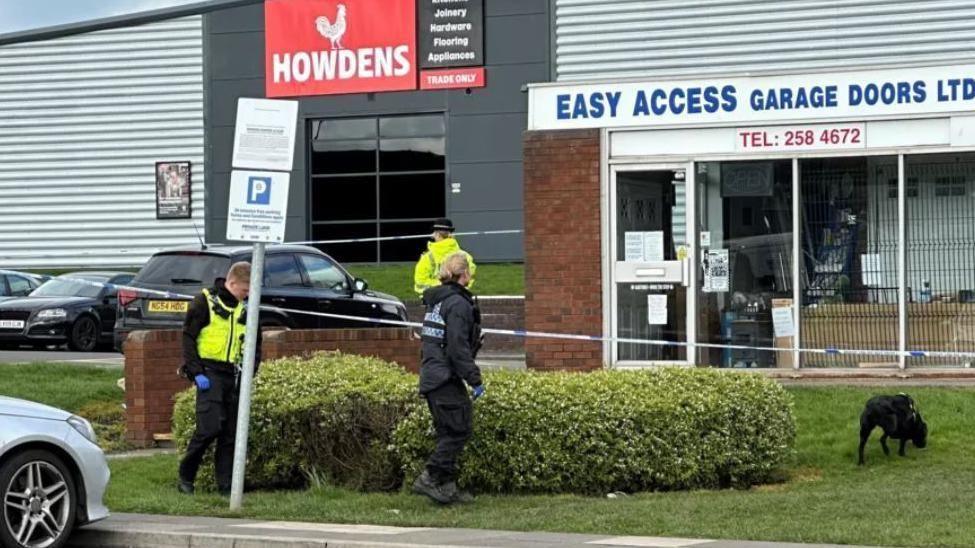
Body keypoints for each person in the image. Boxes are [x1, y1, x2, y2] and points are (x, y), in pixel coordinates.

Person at [177, 262, 261, 496]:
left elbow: (256, 344)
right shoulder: (204, 302)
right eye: (245, 290)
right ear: (232, 282)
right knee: (209, 428)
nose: (248, 295)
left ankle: (226, 486)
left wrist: (250, 373)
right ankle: (186, 476)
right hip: (209, 372)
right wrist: (197, 372)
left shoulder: (247, 309)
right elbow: (188, 338)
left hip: (234, 374)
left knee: (230, 434)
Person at [412, 252, 484, 505]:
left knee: (448, 431)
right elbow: (457, 347)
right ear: (464, 274)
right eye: (470, 271)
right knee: (458, 430)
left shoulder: (438, 300)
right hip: (444, 377)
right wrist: (474, 379)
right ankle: (430, 478)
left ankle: (448, 488)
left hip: (434, 375)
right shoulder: (458, 304)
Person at [413, 218, 477, 296]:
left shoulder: (427, 257)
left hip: (434, 300)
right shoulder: (465, 256)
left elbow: (420, 283)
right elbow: (469, 278)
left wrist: (441, 287)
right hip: (459, 297)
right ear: (451, 235)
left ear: (436, 234)